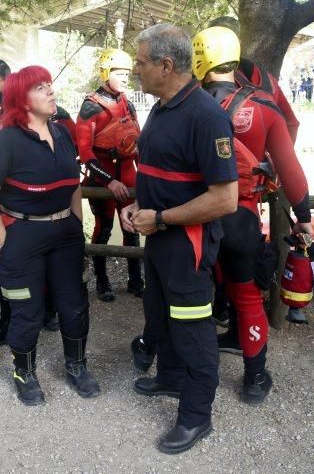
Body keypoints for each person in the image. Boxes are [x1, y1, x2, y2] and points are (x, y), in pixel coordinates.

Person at [120, 24, 238, 454]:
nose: (135, 69)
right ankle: (169, 377)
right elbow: (158, 170)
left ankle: (196, 416)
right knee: (159, 313)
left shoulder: (207, 116)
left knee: (193, 329)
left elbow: (225, 198)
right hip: (158, 234)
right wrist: (138, 203)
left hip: (185, 242)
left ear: (166, 66)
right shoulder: (162, 106)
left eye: (140, 61)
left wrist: (162, 218)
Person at [192, 26, 314, 404]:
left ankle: (189, 372)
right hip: (241, 217)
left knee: (196, 294)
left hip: (194, 218)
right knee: (246, 296)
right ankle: (254, 378)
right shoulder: (263, 105)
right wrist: (304, 217)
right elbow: (289, 168)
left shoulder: (184, 104)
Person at [0, 65, 99, 406]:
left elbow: (74, 184)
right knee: (27, 311)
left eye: (50, 86)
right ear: (21, 99)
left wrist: (76, 224)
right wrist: (3, 242)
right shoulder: (7, 141)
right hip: (24, 234)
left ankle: (76, 366)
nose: (51, 92)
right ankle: (24, 373)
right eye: (41, 88)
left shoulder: (62, 134)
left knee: (74, 306)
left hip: (65, 234)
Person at [0, 58, 61, 349]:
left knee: (15, 265)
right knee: (5, 267)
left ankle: (37, 315)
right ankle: (13, 319)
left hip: (25, 212)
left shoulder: (31, 111)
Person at [75, 48, 144, 302]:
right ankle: (103, 281)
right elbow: (85, 153)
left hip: (129, 176)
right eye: (119, 73)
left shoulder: (129, 103)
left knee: (132, 229)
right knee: (103, 230)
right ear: (106, 73)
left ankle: (136, 279)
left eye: (128, 73)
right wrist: (108, 181)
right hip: (102, 180)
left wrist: (144, 177)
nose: (126, 78)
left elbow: (139, 145)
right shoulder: (91, 107)